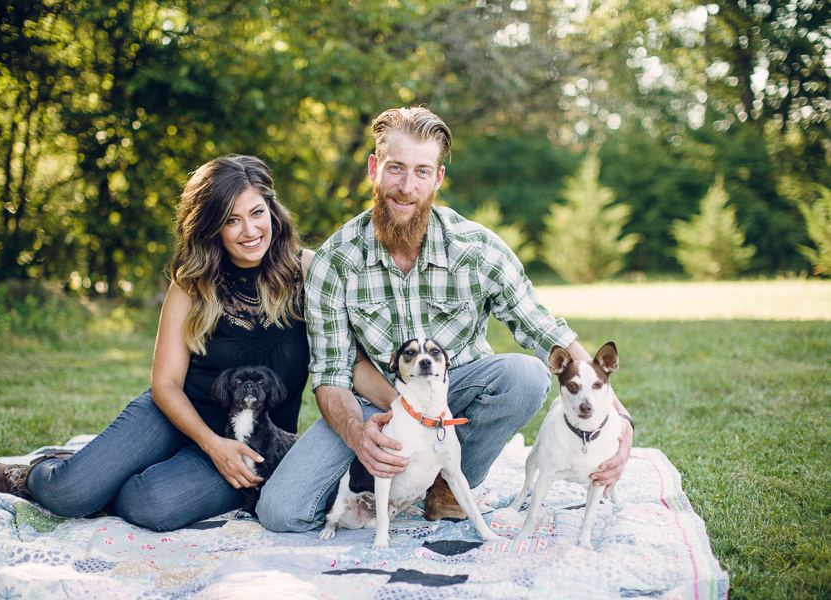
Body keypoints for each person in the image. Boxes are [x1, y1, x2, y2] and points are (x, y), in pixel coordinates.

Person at [0, 155, 387, 531]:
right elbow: (166, 384)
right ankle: (27, 475)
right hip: (172, 416)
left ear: (272, 211)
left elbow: (350, 362)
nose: (249, 230)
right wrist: (212, 445)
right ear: (211, 228)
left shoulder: (310, 272)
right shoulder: (192, 283)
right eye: (231, 219)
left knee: (148, 505)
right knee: (71, 491)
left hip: (253, 442)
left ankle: (103, 471)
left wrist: (408, 407)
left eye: (257, 213)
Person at [257, 107, 634, 533]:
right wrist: (358, 435)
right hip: (375, 408)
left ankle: (447, 487)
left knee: (527, 375)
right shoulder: (334, 261)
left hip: (452, 396)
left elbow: (546, 331)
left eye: (421, 172)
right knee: (281, 511)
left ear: (437, 179)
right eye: (395, 168)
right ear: (374, 169)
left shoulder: (477, 249)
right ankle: (386, 487)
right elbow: (330, 374)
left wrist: (622, 424)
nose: (405, 187)